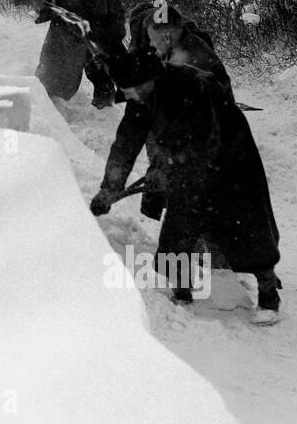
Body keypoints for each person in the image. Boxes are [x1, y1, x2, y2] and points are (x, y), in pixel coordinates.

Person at [89, 51, 282, 322]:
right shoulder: (142, 96)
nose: (128, 97)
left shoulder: (195, 85)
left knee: (245, 228)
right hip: (184, 163)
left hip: (231, 161)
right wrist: (109, 188)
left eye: (129, 90)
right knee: (179, 225)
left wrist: (167, 167)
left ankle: (268, 294)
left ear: (147, 81)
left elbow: (206, 139)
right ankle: (181, 291)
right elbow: (126, 141)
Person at [33, 0, 125, 108]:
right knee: (50, 74)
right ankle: (43, 110)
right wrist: (43, 5)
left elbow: (117, 11)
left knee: (103, 80)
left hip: (95, 36)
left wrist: (116, 35)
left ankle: (103, 115)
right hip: (63, 36)